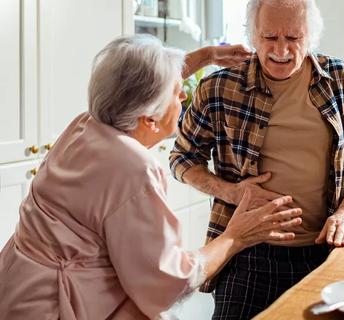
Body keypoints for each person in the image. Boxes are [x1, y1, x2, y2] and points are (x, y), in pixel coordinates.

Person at [0, 34, 305, 320]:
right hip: (52, 308)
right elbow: (169, 280)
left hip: (15, 285)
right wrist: (235, 236)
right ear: (150, 118)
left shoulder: (85, 125)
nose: (183, 95)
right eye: (176, 92)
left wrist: (208, 55)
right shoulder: (133, 168)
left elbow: (130, 82)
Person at [170, 0, 344, 318]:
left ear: (310, 37)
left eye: (293, 38)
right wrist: (231, 191)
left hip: (326, 248)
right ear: (253, 36)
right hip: (248, 252)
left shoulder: (339, 81)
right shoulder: (219, 88)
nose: (280, 49)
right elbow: (181, 159)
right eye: (270, 37)